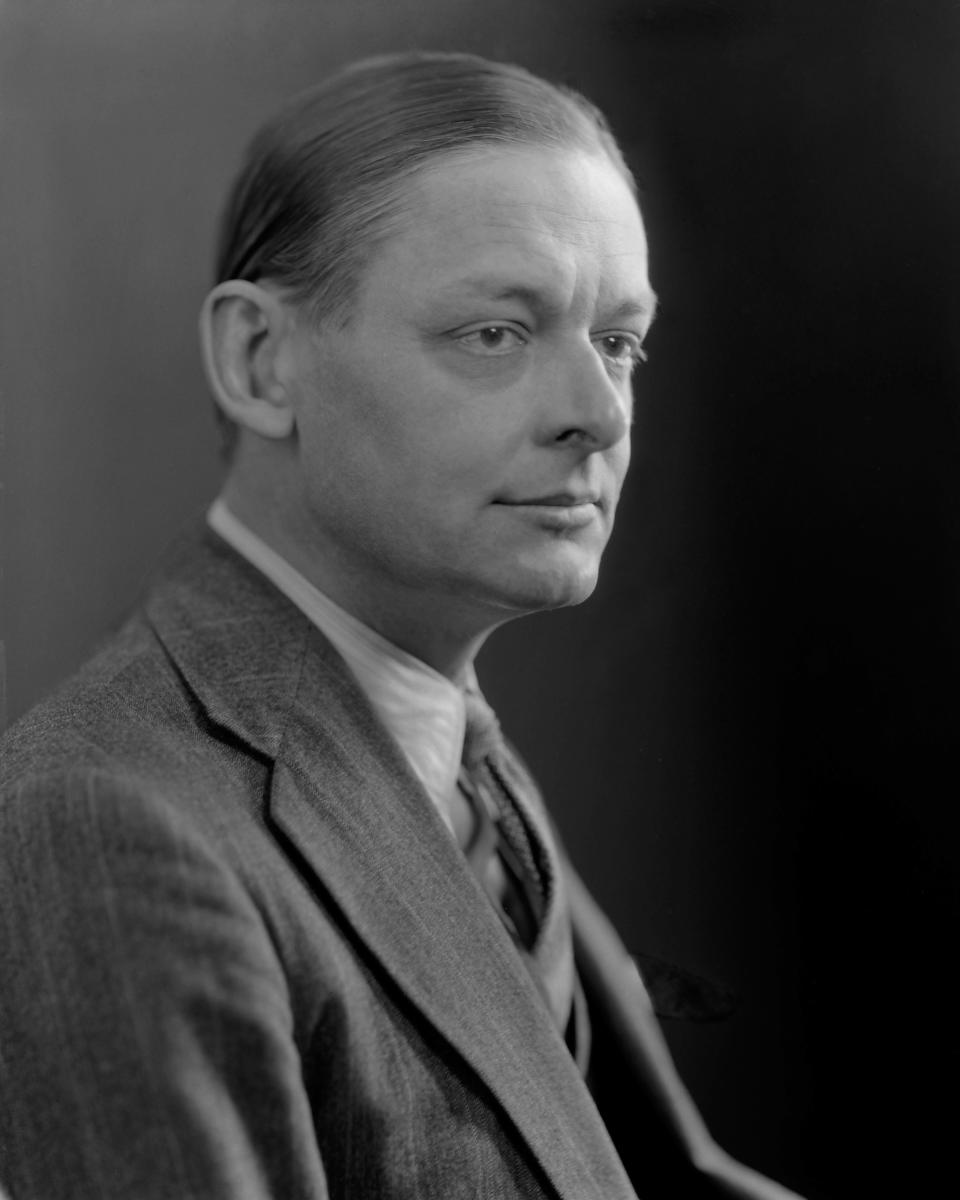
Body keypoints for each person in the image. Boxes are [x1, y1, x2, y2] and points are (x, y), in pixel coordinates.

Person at [0, 51, 803, 1200]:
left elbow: (658, 1176)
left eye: (618, 341)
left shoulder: (442, 739)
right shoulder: (110, 827)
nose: (597, 413)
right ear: (260, 362)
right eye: (495, 333)